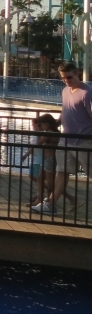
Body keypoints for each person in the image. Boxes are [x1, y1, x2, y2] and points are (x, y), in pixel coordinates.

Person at [51, 62, 92, 215]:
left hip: (84, 141)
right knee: (62, 171)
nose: (66, 80)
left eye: (69, 77)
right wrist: (56, 123)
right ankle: (50, 204)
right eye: (63, 78)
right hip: (65, 139)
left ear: (77, 74)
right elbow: (65, 110)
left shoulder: (87, 93)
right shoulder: (65, 91)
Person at [26, 114, 59, 211]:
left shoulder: (50, 133)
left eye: (42, 125)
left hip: (50, 159)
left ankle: (50, 202)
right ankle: (40, 200)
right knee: (40, 178)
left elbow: (39, 143)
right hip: (46, 159)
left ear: (47, 124)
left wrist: (38, 131)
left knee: (50, 183)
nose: (42, 127)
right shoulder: (52, 132)